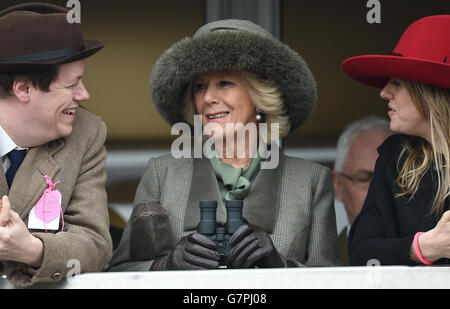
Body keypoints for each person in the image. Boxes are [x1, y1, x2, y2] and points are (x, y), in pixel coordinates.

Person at [107, 19, 340, 271]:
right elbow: (121, 271)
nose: (208, 98)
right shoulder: (162, 173)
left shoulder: (311, 181)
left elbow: (331, 279)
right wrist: (165, 266)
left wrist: (282, 266)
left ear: (260, 95)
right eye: (199, 87)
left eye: (225, 83)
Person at [0, 3, 112, 287]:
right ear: (23, 88)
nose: (84, 94)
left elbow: (95, 244)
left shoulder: (86, 133)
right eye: (71, 84)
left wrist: (33, 249)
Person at [342, 15, 450, 265]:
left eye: (398, 82)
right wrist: (424, 246)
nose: (384, 92)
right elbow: (361, 253)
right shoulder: (396, 157)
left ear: (430, 92)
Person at [332, 116, 391, 265]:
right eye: (364, 178)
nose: (378, 192)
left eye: (392, 178)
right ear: (338, 184)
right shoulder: (316, 264)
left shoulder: (433, 258)